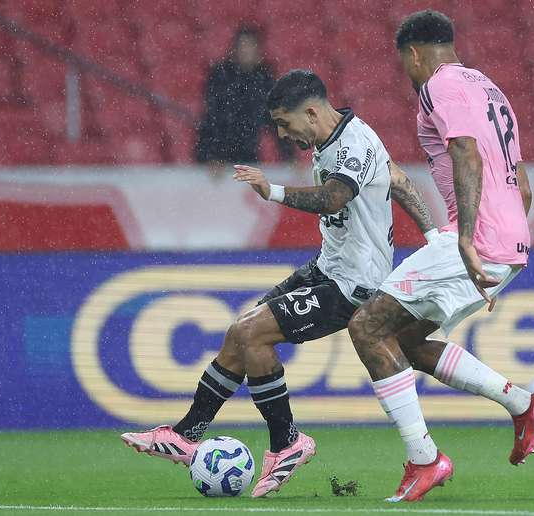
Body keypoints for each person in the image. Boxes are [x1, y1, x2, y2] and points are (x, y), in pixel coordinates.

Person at [122, 69, 439, 498]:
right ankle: (185, 435)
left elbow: (332, 198)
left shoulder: (352, 145)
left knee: (254, 334)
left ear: (310, 112)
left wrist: (271, 190)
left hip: (354, 286)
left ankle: (287, 442)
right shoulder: (335, 139)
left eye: (283, 123)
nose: (281, 133)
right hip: (328, 267)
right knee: (240, 332)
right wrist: (434, 235)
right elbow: (398, 179)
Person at [346, 10, 534, 502]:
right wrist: (498, 258)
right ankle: (526, 406)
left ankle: (425, 460)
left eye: (406, 65)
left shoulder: (439, 86)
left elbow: (464, 151)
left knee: (367, 327)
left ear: (414, 54)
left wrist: (466, 240)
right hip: (509, 245)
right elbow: (522, 186)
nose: (408, 75)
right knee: (404, 339)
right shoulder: (491, 91)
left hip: (474, 239)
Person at [194, 26, 293, 166]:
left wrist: (289, 157)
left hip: (247, 153)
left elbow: (276, 120)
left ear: (258, 51)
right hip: (217, 154)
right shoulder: (221, 76)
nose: (246, 50)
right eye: (242, 45)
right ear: (234, 50)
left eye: (250, 45)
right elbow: (212, 118)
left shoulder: (264, 79)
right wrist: (212, 156)